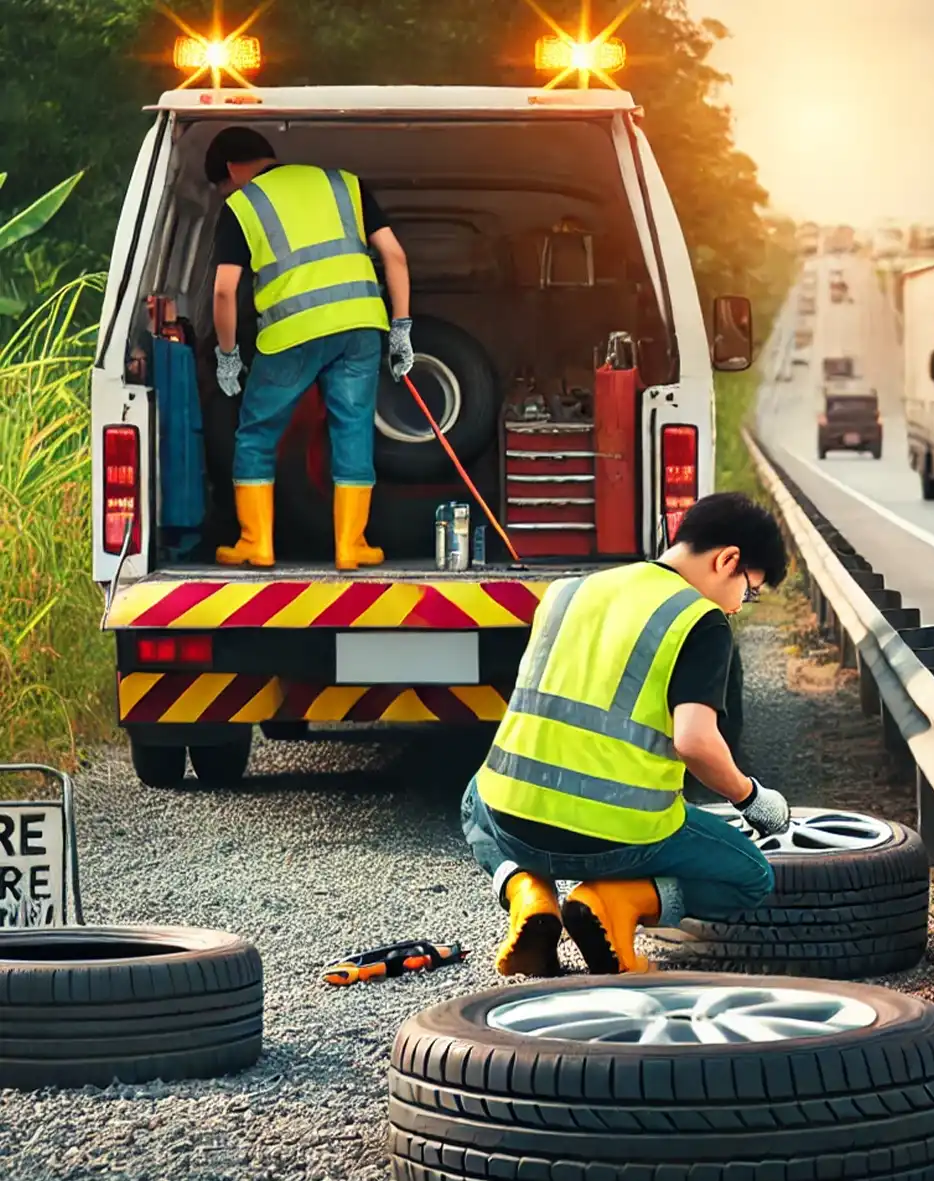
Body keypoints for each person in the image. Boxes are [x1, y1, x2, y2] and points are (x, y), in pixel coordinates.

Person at [461, 492, 794, 976]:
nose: (741, 606)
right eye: (750, 590)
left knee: (474, 801)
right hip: (618, 837)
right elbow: (695, 741)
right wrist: (751, 798)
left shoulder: (569, 591)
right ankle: (611, 901)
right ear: (728, 560)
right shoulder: (700, 621)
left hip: (513, 819)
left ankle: (529, 895)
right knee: (750, 877)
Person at [205, 127, 414, 571]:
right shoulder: (344, 185)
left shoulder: (243, 204)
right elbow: (393, 255)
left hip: (293, 334)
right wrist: (401, 328)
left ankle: (255, 544)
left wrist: (227, 355)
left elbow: (225, 291)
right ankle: (351, 547)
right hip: (360, 326)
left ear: (229, 172)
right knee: (353, 430)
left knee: (257, 434)